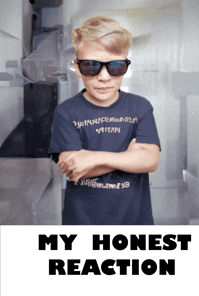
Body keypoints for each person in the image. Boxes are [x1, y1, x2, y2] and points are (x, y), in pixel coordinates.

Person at [49, 16, 161, 225]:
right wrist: (130, 157)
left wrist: (92, 158)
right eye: (91, 66)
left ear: (126, 65)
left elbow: (150, 161)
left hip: (135, 223)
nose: (104, 77)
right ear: (76, 66)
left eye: (115, 66)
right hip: (82, 224)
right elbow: (73, 169)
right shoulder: (66, 112)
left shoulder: (141, 107)